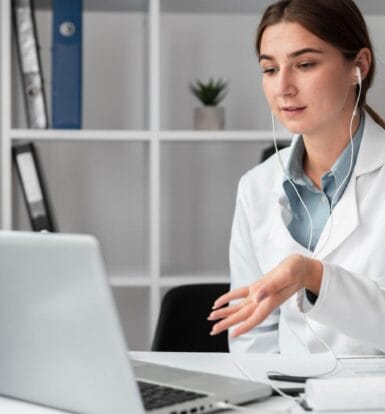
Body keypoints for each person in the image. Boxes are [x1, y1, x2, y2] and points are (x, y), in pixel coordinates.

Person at [207, 0, 385, 355]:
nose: (284, 87)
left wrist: (314, 276)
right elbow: (252, 336)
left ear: (358, 66)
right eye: (270, 69)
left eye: (305, 64)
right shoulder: (256, 186)